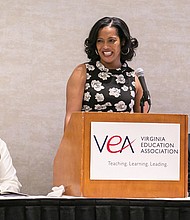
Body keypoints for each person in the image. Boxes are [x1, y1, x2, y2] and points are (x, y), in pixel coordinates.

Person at [64, 16, 150, 129]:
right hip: (88, 143)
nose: (105, 47)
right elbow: (71, 118)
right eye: (100, 41)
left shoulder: (132, 78)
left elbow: (144, 123)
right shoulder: (82, 72)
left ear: (123, 42)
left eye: (111, 41)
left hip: (123, 143)